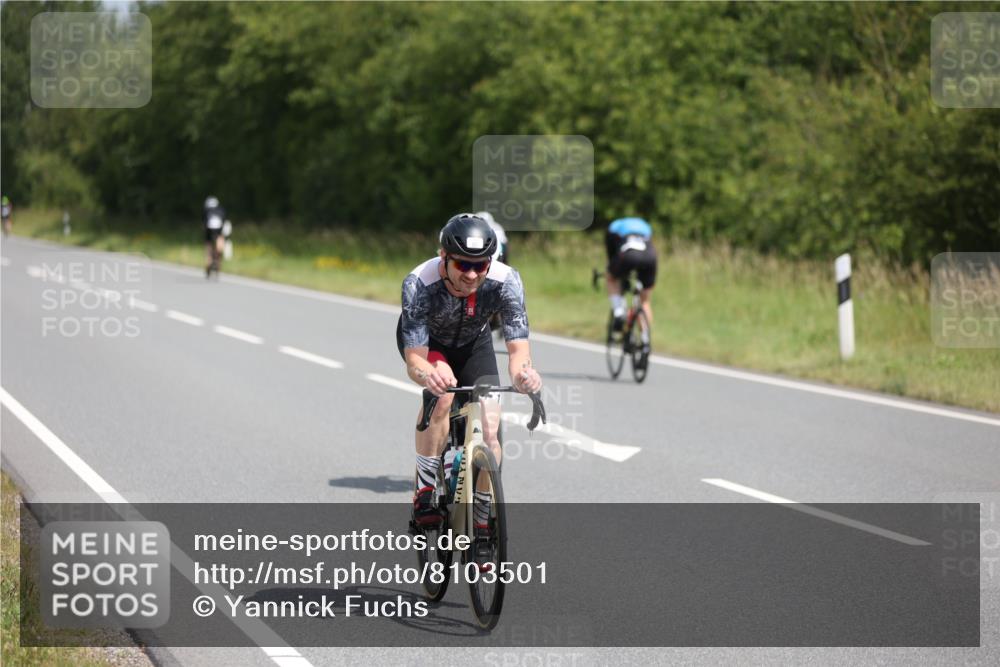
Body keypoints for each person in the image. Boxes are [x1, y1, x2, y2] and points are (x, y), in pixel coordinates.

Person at [398, 213, 542, 532]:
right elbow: (414, 362)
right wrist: (428, 376)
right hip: (430, 346)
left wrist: (524, 375)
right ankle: (424, 490)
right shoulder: (420, 283)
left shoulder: (507, 281)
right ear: (443, 257)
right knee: (444, 396)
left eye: (481, 265)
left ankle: (481, 517)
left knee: (490, 427)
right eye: (463, 264)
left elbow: (519, 353)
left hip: (474, 342)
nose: (472, 274)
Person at [605, 216, 657, 331]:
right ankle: (645, 339)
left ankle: (618, 311)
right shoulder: (645, 226)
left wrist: (611, 269)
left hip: (628, 256)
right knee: (645, 301)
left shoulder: (614, 227)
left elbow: (611, 255)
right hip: (650, 257)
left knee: (611, 278)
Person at [203, 196, 225, 277]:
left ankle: (208, 260)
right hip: (219, 229)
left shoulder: (206, 210)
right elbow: (224, 221)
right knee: (220, 238)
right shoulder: (221, 209)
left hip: (209, 229)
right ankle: (218, 259)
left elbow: (204, 224)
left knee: (208, 244)